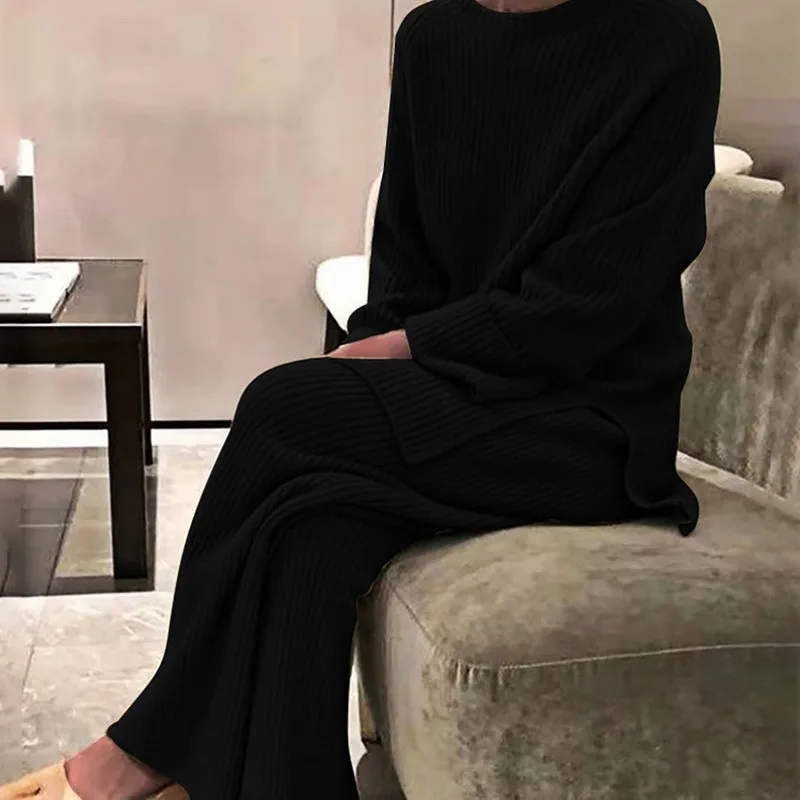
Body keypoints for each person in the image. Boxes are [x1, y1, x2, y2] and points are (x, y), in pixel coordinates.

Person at [0, 0, 721, 797]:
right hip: (466, 396)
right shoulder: (433, 37)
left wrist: (406, 351)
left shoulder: (666, 36)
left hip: (591, 423)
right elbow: (404, 268)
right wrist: (376, 365)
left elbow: (592, 303)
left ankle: (142, 751)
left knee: (280, 406)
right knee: (310, 528)